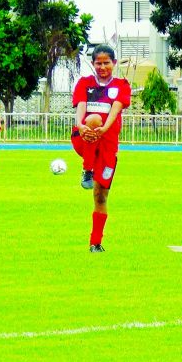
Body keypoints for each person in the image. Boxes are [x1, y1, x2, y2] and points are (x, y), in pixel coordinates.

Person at [71, 45, 131, 252]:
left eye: (106, 62)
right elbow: (80, 106)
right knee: (94, 117)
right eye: (98, 63)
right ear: (93, 64)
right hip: (84, 138)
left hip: (107, 145)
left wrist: (105, 129)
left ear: (114, 63)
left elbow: (116, 108)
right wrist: (81, 125)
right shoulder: (85, 83)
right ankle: (87, 169)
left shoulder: (122, 85)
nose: (102, 66)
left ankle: (95, 243)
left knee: (100, 195)